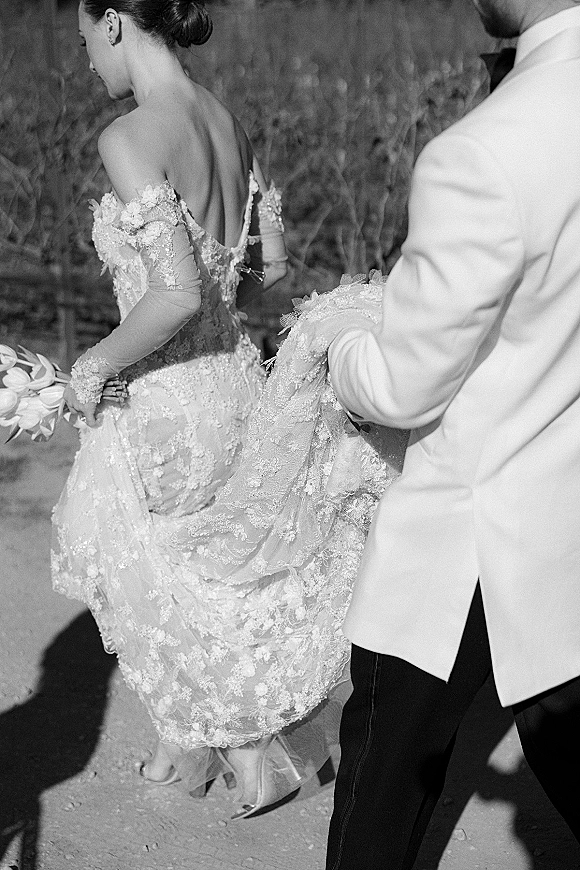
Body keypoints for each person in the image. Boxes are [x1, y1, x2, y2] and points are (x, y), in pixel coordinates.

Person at [52, 0, 405, 821]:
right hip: (236, 387)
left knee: (149, 576)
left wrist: (95, 362)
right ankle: (192, 751)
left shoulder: (130, 136)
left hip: (170, 399)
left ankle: (245, 752)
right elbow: (258, 280)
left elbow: (175, 294)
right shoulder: (226, 123)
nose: (86, 63)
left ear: (112, 22)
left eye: (82, 43)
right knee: (206, 574)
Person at [325, 0, 580, 866]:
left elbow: (404, 381)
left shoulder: (486, 149)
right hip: (568, 515)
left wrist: (338, 349)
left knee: (381, 797)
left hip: (468, 534)